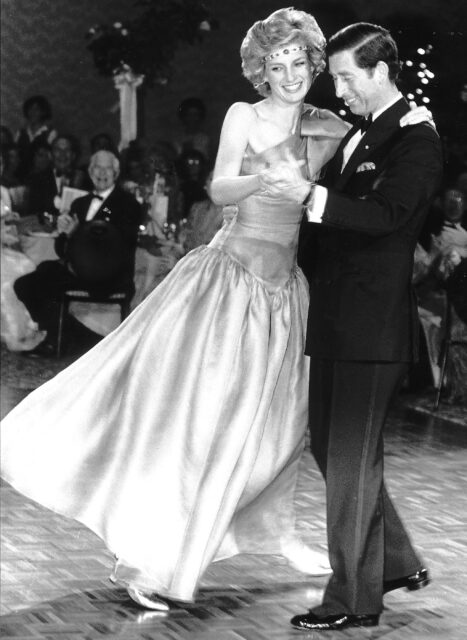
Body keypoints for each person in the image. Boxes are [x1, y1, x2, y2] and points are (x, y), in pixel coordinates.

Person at [0, 8, 430, 614]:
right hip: (229, 288)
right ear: (263, 69)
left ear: (314, 65)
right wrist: (268, 180)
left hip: (288, 299)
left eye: (299, 62)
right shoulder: (243, 116)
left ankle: (348, 550)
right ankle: (157, 559)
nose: (288, 74)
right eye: (276, 64)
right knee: (198, 426)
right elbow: (218, 187)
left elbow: (376, 164)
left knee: (280, 437)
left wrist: (415, 117)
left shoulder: (332, 125)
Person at [260, 23, 442, 632]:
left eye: (346, 76)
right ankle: (395, 561)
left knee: (349, 459)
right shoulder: (360, 135)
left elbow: (387, 216)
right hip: (337, 322)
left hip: (372, 330)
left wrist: (310, 196)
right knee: (331, 446)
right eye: (335, 76)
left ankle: (353, 600)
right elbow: (325, 223)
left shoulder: (415, 138)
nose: (338, 90)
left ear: (381, 71)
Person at [13, 150, 142, 357]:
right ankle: (65, 336)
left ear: (116, 173)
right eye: (96, 168)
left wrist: (77, 232)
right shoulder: (79, 203)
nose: (101, 172)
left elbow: (116, 248)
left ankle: (65, 340)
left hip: (110, 275)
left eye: (107, 168)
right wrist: (64, 234)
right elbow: (61, 249)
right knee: (27, 283)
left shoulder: (128, 204)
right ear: (90, 172)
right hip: (78, 271)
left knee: (46, 278)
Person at [27, 134, 86, 223]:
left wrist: (76, 187)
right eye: (58, 150)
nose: (62, 154)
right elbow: (34, 212)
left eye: (67, 150)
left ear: (73, 155)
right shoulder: (37, 179)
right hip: (44, 234)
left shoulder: (84, 179)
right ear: (50, 155)